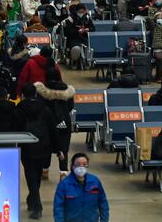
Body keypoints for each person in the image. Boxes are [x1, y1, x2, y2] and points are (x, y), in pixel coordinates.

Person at [16, 83, 58, 219]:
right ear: (35, 94)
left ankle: (37, 206)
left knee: (30, 176)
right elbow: (53, 129)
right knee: (37, 176)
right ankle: (32, 199)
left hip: (26, 148)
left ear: (22, 95)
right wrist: (58, 149)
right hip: (43, 147)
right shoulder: (45, 109)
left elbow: (13, 128)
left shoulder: (19, 110)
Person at [35, 68, 75, 179]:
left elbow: (39, 106)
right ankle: (63, 172)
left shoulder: (42, 90)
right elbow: (71, 107)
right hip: (64, 123)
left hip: (47, 122)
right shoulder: (68, 90)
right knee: (63, 147)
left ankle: (45, 170)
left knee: (47, 146)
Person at [53, 153, 110, 222]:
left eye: (84, 164)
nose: (81, 167)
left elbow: (103, 202)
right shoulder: (64, 185)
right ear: (72, 166)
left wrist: (104, 220)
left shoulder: (95, 182)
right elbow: (58, 207)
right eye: (78, 164)